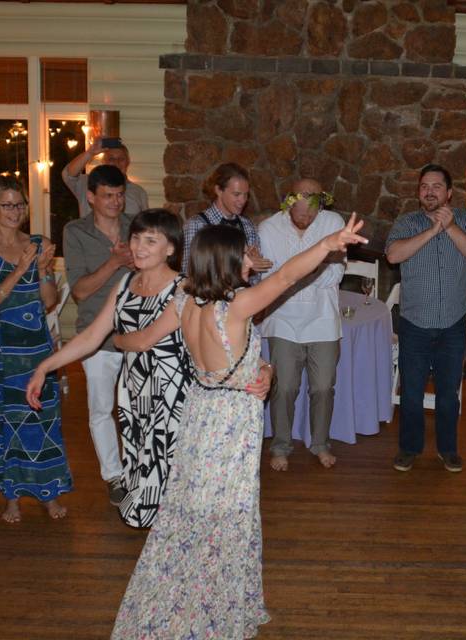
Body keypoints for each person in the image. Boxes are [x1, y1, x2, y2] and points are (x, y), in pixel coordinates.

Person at [109, 214, 368, 638]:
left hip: (198, 414)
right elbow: (286, 275)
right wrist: (328, 244)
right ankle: (212, 608)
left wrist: (114, 340)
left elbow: (138, 340)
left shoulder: (182, 303)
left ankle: (195, 592)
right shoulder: (237, 305)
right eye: (244, 254)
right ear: (228, 260)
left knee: (192, 508)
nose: (252, 259)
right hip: (231, 422)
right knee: (229, 512)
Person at [29, 210, 187, 528]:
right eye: (136, 238)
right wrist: (45, 366)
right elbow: (91, 336)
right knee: (140, 463)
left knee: (170, 470)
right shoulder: (126, 283)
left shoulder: (184, 288)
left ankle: (175, 532)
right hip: (133, 392)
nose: (139, 247)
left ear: (170, 248)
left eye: (151, 240)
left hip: (172, 395)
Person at [0, 176, 70, 522]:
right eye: (7, 204)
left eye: (20, 204)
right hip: (0, 352)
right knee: (7, 424)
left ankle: (48, 492)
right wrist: (21, 268)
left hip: (37, 348)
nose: (16, 211)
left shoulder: (40, 243)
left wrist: (41, 271)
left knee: (43, 420)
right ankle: (11, 498)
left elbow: (50, 303)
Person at [386, 164, 466, 473]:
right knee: (411, 393)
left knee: (448, 394)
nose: (430, 191)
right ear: (418, 192)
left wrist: (450, 227)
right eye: (424, 186)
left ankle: (448, 449)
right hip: (415, 324)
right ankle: (409, 448)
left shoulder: (465, 219)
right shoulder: (407, 222)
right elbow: (393, 255)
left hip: (452, 323)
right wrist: (431, 232)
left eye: (437, 186)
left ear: (449, 192)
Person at [259, 178, 345, 471]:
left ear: (321, 205)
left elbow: (335, 274)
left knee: (322, 386)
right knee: (284, 386)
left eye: (313, 209)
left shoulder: (333, 222)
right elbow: (269, 278)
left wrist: (293, 274)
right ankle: (281, 445)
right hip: (282, 317)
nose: (306, 215)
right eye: (300, 207)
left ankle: (320, 443)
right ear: (288, 201)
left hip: (323, 319)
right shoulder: (269, 229)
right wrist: (308, 272)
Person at [63, 164, 135, 507]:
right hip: (96, 336)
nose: (115, 202)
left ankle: (139, 470)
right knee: (101, 410)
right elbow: (79, 291)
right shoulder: (75, 232)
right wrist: (116, 262)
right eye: (108, 196)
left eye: (120, 195)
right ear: (90, 197)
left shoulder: (137, 226)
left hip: (138, 332)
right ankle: (114, 476)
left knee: (137, 408)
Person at [181, 162, 272, 283]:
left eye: (246, 195)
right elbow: (189, 273)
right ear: (218, 190)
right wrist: (243, 264)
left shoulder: (247, 226)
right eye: (237, 194)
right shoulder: (197, 225)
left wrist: (254, 268)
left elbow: (254, 280)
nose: (243, 200)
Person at [63, 137, 149, 218]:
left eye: (121, 159)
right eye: (111, 159)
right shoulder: (87, 184)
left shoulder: (138, 192)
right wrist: (90, 152)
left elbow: (145, 225)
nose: (116, 162)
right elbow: (68, 174)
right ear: (104, 162)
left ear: (128, 162)